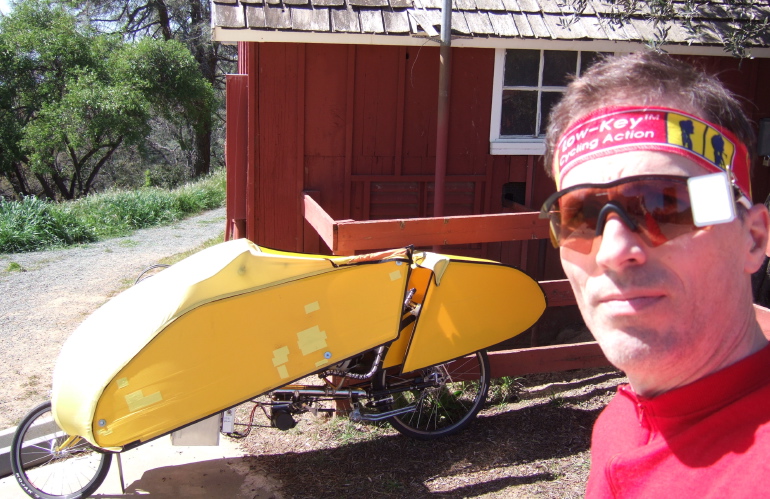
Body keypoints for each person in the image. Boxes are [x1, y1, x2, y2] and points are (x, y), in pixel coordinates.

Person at [541, 51, 770, 497]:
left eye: (666, 204)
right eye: (582, 216)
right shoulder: (618, 422)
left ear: (754, 239)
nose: (613, 250)